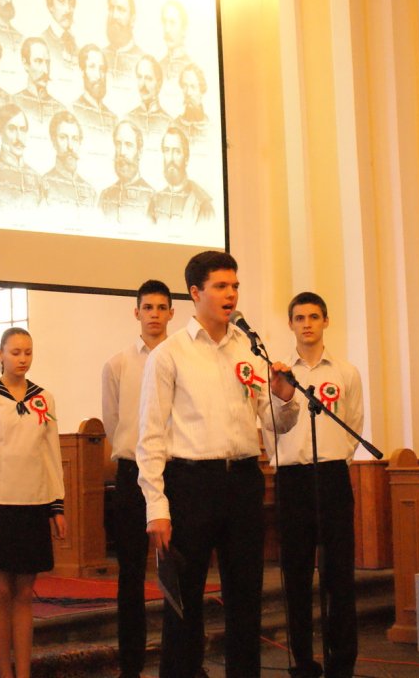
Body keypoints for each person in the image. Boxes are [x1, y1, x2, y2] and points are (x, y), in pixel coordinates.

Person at [137, 250, 298, 678]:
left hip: (243, 480)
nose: (231, 294)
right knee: (184, 602)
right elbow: (150, 437)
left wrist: (284, 399)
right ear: (195, 292)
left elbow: (273, 421)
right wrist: (157, 507)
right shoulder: (169, 354)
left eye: (235, 286)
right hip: (191, 483)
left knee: (246, 597)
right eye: (221, 286)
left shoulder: (248, 349)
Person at [267, 292, 362, 678]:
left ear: (326, 321)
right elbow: (270, 425)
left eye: (314, 317)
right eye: (299, 318)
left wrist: (336, 456)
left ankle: (342, 663)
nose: (307, 324)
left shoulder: (345, 372)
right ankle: (303, 662)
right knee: (296, 575)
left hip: (333, 476)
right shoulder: (278, 372)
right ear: (290, 324)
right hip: (292, 478)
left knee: (339, 575)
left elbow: (353, 424)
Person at [0, 328, 67, 678]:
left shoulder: (44, 398)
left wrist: (56, 505)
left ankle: (24, 673)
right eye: (15, 352)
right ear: (0, 354)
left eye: (28, 352)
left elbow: (50, 454)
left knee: (24, 594)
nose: (22, 359)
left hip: (33, 505)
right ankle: (4, 673)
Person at [101, 280, 175, 678]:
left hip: (176, 471)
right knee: (131, 574)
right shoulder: (117, 364)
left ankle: (180, 663)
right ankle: (130, 666)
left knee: (180, 571)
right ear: (136, 313)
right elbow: (113, 423)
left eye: (162, 307)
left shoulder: (183, 358)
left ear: (171, 313)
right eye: (148, 307)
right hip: (132, 473)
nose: (154, 314)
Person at [0, 104, 45, 207]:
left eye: (23, 130)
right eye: (12, 129)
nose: (19, 137)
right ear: (0, 132)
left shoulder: (37, 178)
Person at [149, 126, 214, 227]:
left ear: (186, 158)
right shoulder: (155, 201)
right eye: (167, 150)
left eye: (177, 152)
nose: (171, 158)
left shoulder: (201, 203)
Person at [99, 120, 154, 226]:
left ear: (139, 152)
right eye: (118, 144)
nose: (122, 152)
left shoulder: (152, 197)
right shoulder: (105, 196)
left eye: (128, 145)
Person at [42, 110, 96, 211]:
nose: (70, 146)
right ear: (53, 141)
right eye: (63, 137)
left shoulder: (90, 191)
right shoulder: (43, 185)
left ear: (80, 143)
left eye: (75, 139)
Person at [14, 37, 65, 129]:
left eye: (47, 62)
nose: (46, 70)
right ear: (25, 64)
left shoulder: (61, 110)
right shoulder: (13, 103)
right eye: (38, 61)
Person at [73, 44, 118, 136]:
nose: (98, 76)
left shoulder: (113, 118)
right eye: (92, 67)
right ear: (82, 71)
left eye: (102, 69)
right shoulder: (73, 111)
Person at [105, 0, 144, 83]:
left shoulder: (143, 61)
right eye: (111, 8)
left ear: (132, 19)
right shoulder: (100, 56)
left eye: (121, 9)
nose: (114, 16)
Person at [128, 55, 172, 138]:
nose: (143, 84)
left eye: (148, 78)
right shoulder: (128, 119)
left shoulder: (169, 123)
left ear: (159, 84)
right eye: (139, 77)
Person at [41, 0, 78, 70]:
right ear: (50, 5)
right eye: (61, 1)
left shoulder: (77, 46)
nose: (68, 9)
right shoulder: (42, 42)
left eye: (71, 2)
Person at [174, 63, 209, 142]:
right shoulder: (174, 125)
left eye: (193, 87)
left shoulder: (212, 129)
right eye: (184, 86)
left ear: (202, 90)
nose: (188, 93)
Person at [160, 0, 192, 83]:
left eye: (172, 23)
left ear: (184, 29)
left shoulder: (192, 68)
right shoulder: (158, 67)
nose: (167, 30)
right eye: (164, 22)